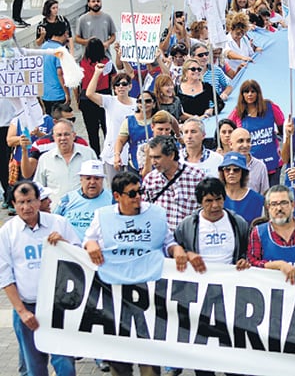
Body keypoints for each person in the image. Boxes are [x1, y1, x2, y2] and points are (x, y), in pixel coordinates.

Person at [84, 171, 185, 376]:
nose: (138, 197)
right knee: (118, 357)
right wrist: (91, 244)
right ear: (117, 196)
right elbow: (88, 239)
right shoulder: (103, 216)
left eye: (140, 192)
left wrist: (177, 250)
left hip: (147, 293)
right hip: (116, 293)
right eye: (132, 194)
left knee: (149, 355)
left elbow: (167, 242)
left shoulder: (155, 213)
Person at [1, 180, 79, 376]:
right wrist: (21, 311)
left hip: (59, 308)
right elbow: (4, 274)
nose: (26, 207)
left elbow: (80, 258)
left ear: (39, 201)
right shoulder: (7, 233)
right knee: (34, 367)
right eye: (21, 202)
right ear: (13, 203)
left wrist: (65, 244)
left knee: (65, 365)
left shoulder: (59, 224)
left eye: (30, 201)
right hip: (27, 308)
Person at [247, 184, 295, 284]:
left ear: (293, 205)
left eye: (284, 203)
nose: (279, 208)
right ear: (268, 207)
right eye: (274, 204)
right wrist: (278, 265)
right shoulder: (258, 232)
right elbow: (251, 263)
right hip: (270, 293)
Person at [174, 177, 250, 270]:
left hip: (230, 279)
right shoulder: (187, 225)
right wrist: (187, 254)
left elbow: (247, 251)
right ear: (200, 202)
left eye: (218, 199)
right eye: (209, 201)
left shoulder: (239, 223)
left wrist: (243, 260)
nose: (215, 205)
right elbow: (174, 248)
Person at [140, 135, 205, 230]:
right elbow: (144, 210)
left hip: (188, 237)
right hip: (161, 237)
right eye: (151, 158)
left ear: (171, 155)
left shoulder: (196, 176)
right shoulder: (150, 179)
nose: (154, 162)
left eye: (157, 157)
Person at [228, 79, 284, 185]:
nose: (250, 94)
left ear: (258, 93)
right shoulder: (237, 112)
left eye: (253, 91)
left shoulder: (270, 107)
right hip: (250, 166)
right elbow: (225, 128)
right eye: (246, 92)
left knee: (272, 198)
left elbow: (283, 128)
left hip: (273, 163)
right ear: (242, 94)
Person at [31, 120, 97, 208]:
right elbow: (38, 187)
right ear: (54, 137)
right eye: (59, 135)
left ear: (74, 136)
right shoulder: (45, 159)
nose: (63, 138)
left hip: (84, 210)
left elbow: (99, 183)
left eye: (66, 134)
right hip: (55, 211)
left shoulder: (88, 154)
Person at [53, 159, 112, 237]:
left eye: (97, 178)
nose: (92, 182)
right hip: (71, 246)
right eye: (88, 178)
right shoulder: (67, 199)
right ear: (81, 179)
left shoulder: (112, 199)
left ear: (102, 180)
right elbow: (53, 221)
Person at [112, 89, 157, 173]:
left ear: (154, 104)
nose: (144, 104)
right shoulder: (129, 121)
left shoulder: (159, 119)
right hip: (136, 164)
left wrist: (178, 135)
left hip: (157, 165)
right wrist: (117, 155)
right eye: (140, 101)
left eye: (147, 101)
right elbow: (120, 140)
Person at [219, 151, 265, 224]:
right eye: (227, 169)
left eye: (236, 170)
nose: (231, 172)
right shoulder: (217, 196)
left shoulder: (257, 199)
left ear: (243, 173)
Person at [227, 128, 270, 195]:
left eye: (248, 141)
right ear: (230, 144)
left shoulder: (260, 166)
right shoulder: (224, 166)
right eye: (240, 141)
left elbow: (264, 195)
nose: (245, 145)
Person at [39, 21, 69, 114]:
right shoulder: (60, 50)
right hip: (58, 94)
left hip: (45, 93)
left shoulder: (44, 47)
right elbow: (60, 73)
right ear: (64, 34)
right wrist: (67, 93)